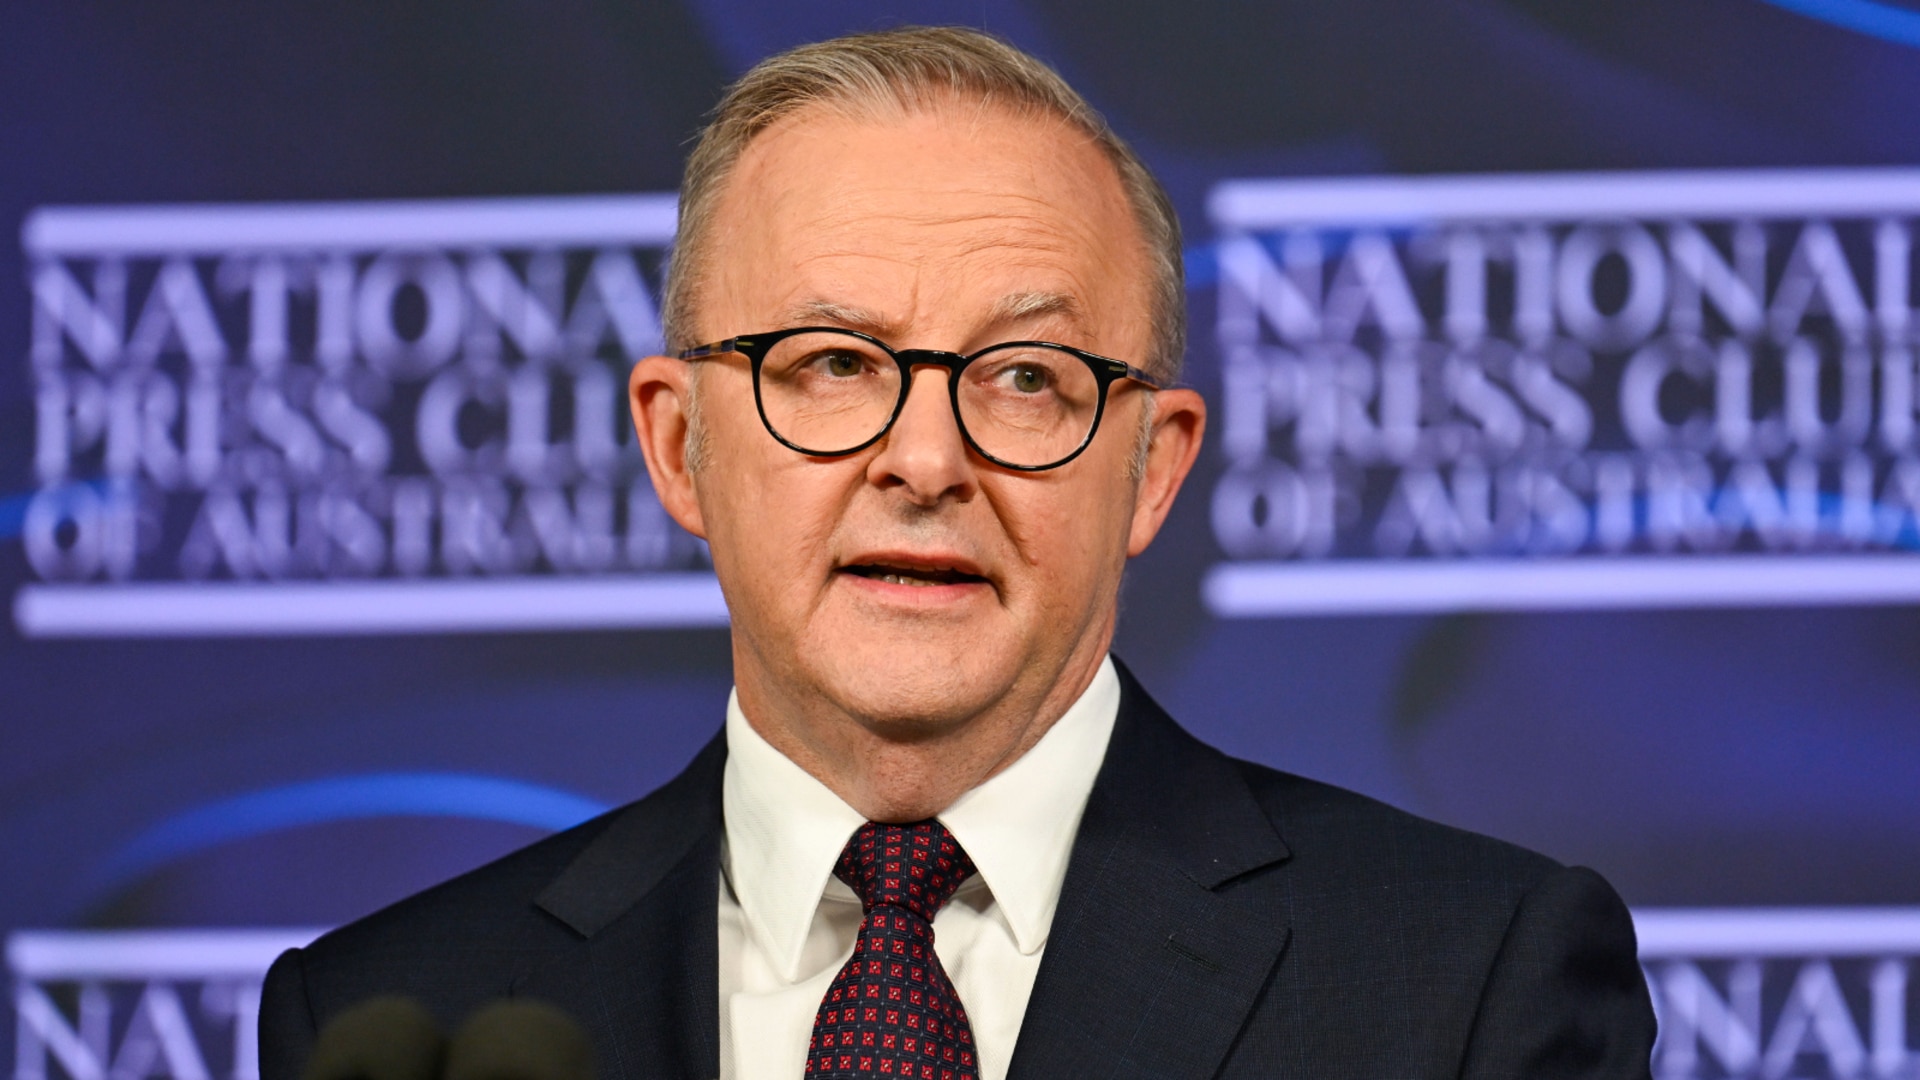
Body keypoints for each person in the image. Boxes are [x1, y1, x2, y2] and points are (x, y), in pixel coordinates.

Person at [259, 26, 1656, 1080]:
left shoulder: (1468, 982)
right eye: (828, 363)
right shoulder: (403, 1011)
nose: (924, 460)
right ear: (678, 446)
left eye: (1028, 377)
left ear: (1152, 468)